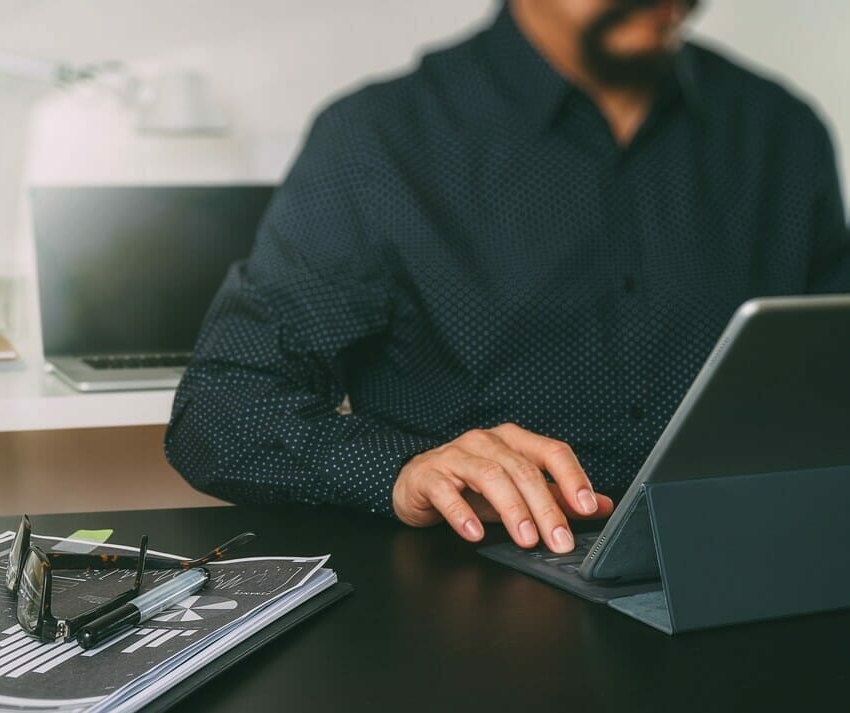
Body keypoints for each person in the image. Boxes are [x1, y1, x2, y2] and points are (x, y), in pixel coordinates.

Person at [164, 0, 850, 554]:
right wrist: (398, 469)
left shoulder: (781, 132)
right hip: (471, 605)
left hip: (756, 573)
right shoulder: (378, 140)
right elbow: (220, 409)